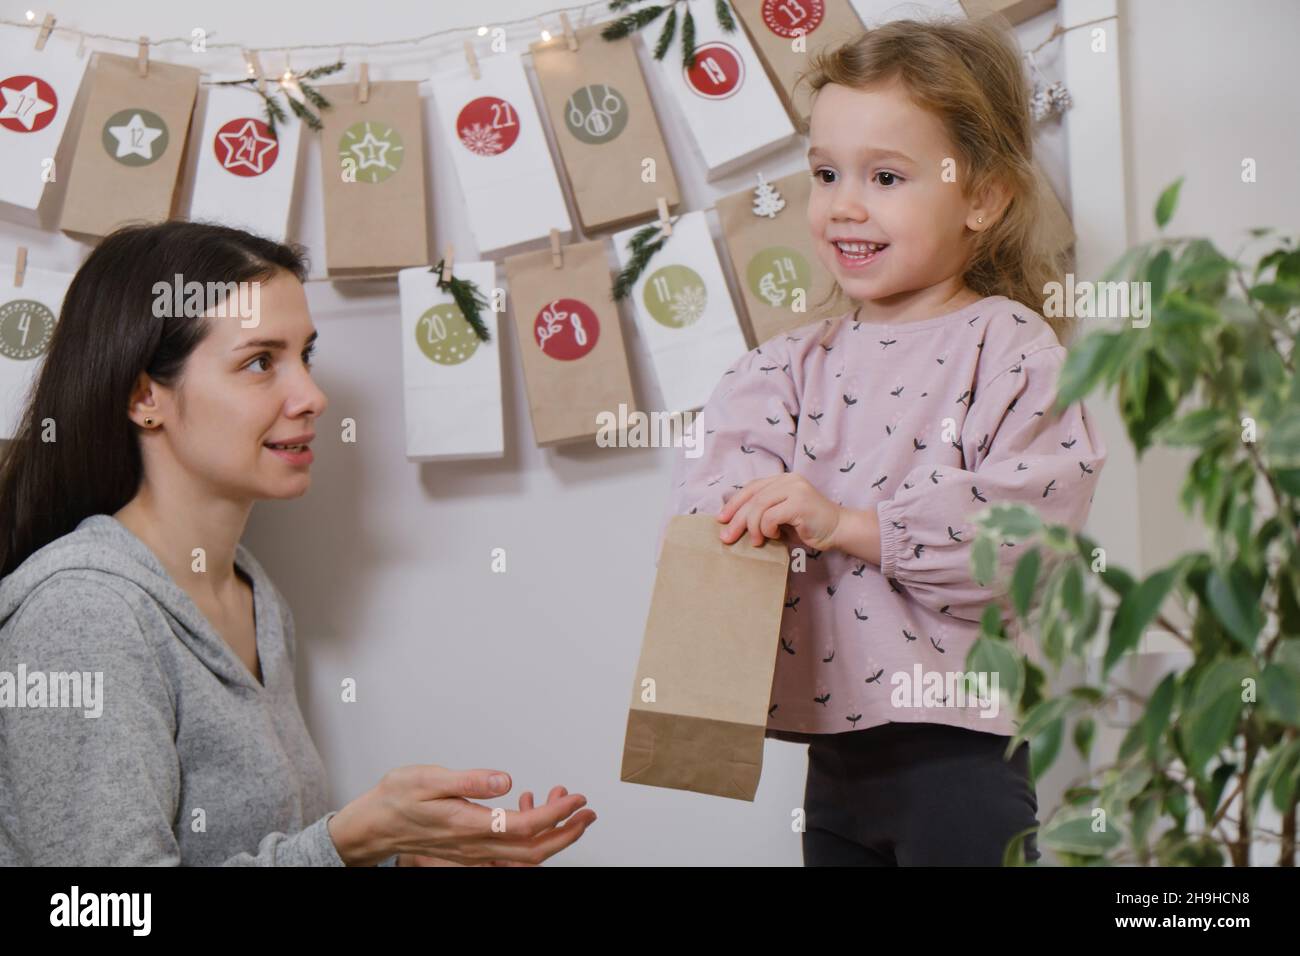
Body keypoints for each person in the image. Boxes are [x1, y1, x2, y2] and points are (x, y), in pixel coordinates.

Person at [0, 220, 596, 866]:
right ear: (146, 396)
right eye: (260, 362)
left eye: (304, 356)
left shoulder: (255, 597)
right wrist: (352, 840)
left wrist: (402, 859)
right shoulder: (85, 615)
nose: (311, 395)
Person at [655, 17, 1107, 865]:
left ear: (984, 196)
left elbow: (1023, 538)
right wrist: (745, 510)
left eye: (887, 176)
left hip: (959, 752)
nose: (844, 205)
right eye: (826, 173)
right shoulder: (788, 366)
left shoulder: (1009, 346)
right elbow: (710, 503)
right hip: (832, 752)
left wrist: (842, 523)